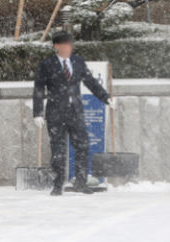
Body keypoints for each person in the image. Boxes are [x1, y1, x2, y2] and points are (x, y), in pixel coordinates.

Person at [33, 31, 114, 196]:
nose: (69, 47)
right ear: (56, 46)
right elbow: (39, 89)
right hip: (55, 113)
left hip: (75, 112)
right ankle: (57, 184)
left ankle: (81, 182)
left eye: (70, 44)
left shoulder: (78, 61)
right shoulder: (47, 64)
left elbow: (91, 82)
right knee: (58, 150)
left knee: (83, 146)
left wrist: (106, 98)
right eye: (65, 44)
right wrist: (38, 113)